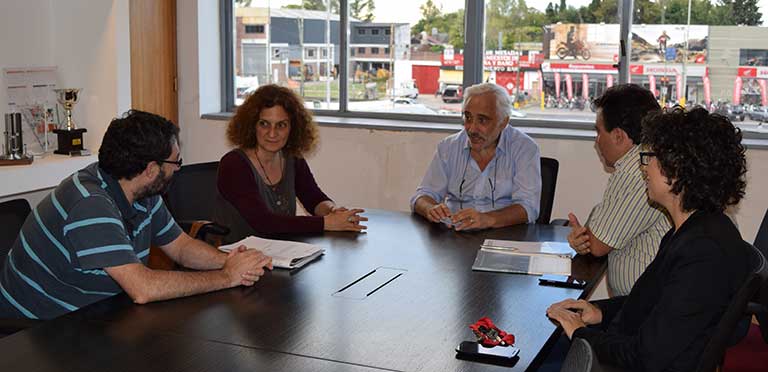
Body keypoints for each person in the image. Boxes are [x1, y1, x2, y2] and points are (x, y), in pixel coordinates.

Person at [0, 110, 273, 320]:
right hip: (38, 333)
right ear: (151, 169)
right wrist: (227, 277)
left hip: (94, 315)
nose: (178, 168)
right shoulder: (90, 204)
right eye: (176, 162)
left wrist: (235, 262)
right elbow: (143, 289)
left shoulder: (139, 190)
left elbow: (181, 247)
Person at [547, 107, 751, 371]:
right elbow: (650, 301)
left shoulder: (704, 253)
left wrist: (580, 333)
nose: (643, 167)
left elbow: (645, 357)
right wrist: (599, 312)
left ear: (677, 169)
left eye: (649, 157)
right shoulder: (692, 228)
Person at [215, 84, 366, 243]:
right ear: (252, 125)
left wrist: (332, 211)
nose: (272, 133)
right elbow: (264, 223)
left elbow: (313, 198)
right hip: (236, 255)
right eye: (264, 124)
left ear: (292, 128)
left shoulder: (292, 158)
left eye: (281, 125)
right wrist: (327, 223)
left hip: (282, 251)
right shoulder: (234, 164)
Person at [567, 84, 671, 296]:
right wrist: (586, 237)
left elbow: (597, 245)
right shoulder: (651, 157)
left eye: (598, 131)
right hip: (644, 304)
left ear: (618, 136)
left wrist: (585, 237)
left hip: (645, 312)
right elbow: (598, 231)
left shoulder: (639, 170)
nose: (596, 142)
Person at [410, 82, 541, 230]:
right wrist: (430, 208)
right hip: (455, 237)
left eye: (482, 120)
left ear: (503, 122)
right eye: (468, 117)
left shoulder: (524, 149)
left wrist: (487, 219)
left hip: (503, 237)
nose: (472, 129)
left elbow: (528, 207)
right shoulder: (448, 148)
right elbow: (422, 196)